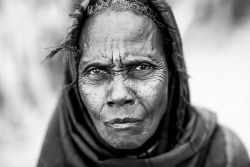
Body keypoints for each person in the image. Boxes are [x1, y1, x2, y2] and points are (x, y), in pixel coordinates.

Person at [37, 0, 250, 166]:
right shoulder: (59, 156)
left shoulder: (224, 155)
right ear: (75, 82)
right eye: (96, 71)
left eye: (141, 68)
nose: (119, 95)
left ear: (172, 71)